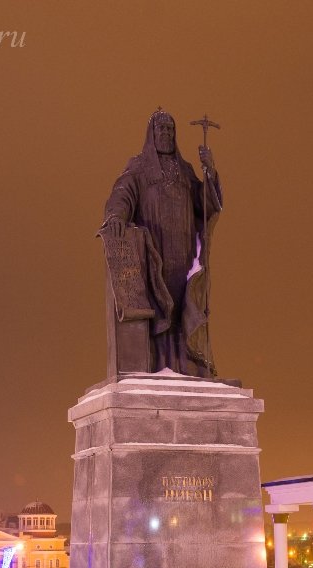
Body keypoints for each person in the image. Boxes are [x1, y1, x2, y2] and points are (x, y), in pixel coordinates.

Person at [103, 109, 223, 377]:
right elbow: (122, 194)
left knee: (185, 307)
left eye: (170, 129)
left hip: (184, 252)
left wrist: (210, 171)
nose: (166, 133)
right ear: (151, 134)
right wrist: (115, 216)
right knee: (159, 310)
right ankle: (157, 367)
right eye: (161, 129)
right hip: (156, 252)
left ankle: (187, 366)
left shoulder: (185, 169)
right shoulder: (139, 167)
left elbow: (204, 205)